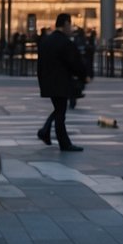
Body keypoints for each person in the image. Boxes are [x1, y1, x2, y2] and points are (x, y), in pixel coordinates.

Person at [37, 13, 89, 152]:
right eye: (70, 24)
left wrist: (41, 81)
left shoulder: (46, 41)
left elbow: (40, 63)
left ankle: (45, 131)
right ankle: (63, 143)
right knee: (61, 113)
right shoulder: (65, 42)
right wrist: (84, 76)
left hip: (48, 81)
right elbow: (75, 62)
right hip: (61, 82)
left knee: (59, 109)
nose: (71, 28)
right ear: (66, 23)